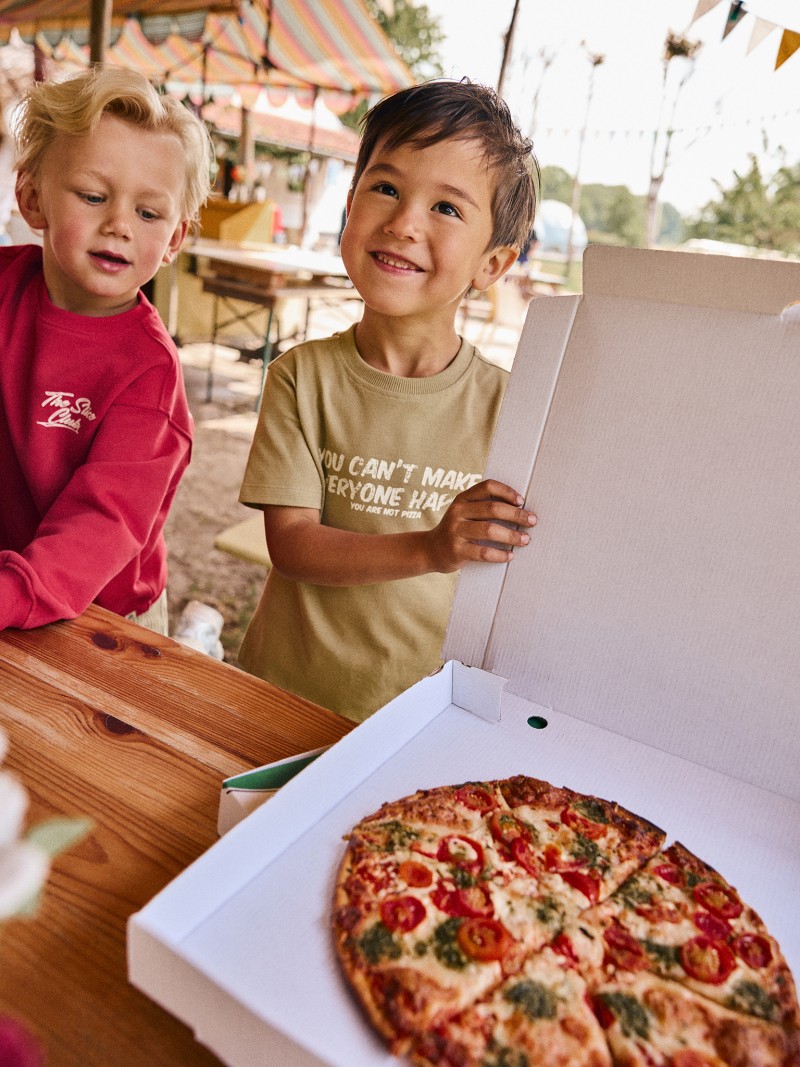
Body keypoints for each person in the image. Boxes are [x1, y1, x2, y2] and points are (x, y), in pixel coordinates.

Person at [238, 78, 538, 721]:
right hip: (279, 695)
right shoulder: (301, 377)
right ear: (350, 206)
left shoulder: (512, 410)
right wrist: (431, 548)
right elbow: (291, 544)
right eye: (386, 188)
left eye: (447, 209)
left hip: (416, 718)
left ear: (492, 263)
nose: (403, 224)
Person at [0, 67, 213, 634]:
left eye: (148, 213)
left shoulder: (150, 377)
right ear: (32, 198)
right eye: (93, 196)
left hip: (107, 616)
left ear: (173, 240)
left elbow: (101, 523)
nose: (119, 224)